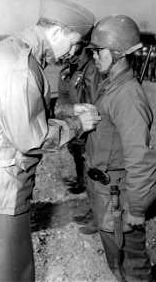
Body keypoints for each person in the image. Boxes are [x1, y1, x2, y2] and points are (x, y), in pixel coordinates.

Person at [0, 0, 101, 282]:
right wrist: (78, 124)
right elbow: (32, 139)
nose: (72, 52)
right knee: (13, 274)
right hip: (2, 189)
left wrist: (66, 107)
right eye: (73, 42)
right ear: (56, 31)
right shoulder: (20, 66)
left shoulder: (13, 51)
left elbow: (21, 106)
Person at [85, 15, 156, 282]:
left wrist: (137, 209)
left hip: (120, 201)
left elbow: (141, 157)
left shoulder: (126, 95)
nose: (93, 57)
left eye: (98, 51)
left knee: (133, 270)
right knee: (118, 264)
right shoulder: (112, 87)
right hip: (107, 195)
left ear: (117, 52)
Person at [54, 35, 101, 234]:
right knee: (87, 171)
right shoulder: (73, 68)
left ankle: (101, 217)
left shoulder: (92, 68)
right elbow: (63, 99)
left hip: (92, 129)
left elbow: (94, 103)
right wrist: (70, 112)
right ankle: (95, 210)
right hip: (81, 128)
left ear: (80, 44)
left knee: (95, 173)